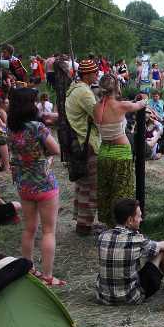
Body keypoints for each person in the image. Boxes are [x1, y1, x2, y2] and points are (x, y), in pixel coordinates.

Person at [8, 87, 64, 286]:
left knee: (29, 229)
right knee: (48, 231)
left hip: (24, 184)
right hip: (44, 184)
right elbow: (56, 149)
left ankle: (28, 268)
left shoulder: (11, 128)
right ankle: (48, 276)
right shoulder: (37, 127)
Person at [95, 75, 148, 227]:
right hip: (121, 153)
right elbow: (141, 105)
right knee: (122, 191)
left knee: (106, 190)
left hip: (104, 152)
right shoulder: (122, 106)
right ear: (117, 87)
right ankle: (121, 225)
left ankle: (108, 224)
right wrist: (144, 98)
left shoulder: (96, 107)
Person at [97, 198, 164, 305]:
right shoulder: (136, 240)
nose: (141, 219)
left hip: (104, 298)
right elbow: (162, 246)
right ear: (130, 220)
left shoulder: (102, 236)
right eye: (139, 216)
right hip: (131, 298)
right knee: (161, 252)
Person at [66, 58, 103, 236]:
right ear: (87, 74)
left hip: (79, 143)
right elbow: (100, 116)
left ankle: (82, 223)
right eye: (95, 73)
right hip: (88, 143)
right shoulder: (84, 92)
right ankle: (85, 225)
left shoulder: (73, 89)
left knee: (83, 186)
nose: (97, 75)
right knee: (93, 187)